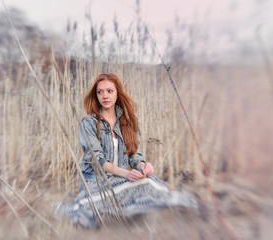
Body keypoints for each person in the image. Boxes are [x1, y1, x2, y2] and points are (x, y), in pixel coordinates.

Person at [56, 73, 196, 228]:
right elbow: (97, 160)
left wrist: (144, 166)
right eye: (100, 92)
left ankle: (133, 209)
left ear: (117, 93)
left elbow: (135, 156)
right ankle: (84, 209)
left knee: (149, 181)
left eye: (110, 91)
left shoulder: (127, 123)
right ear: (95, 96)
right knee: (92, 207)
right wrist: (127, 174)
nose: (105, 96)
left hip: (122, 180)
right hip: (97, 181)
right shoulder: (88, 122)